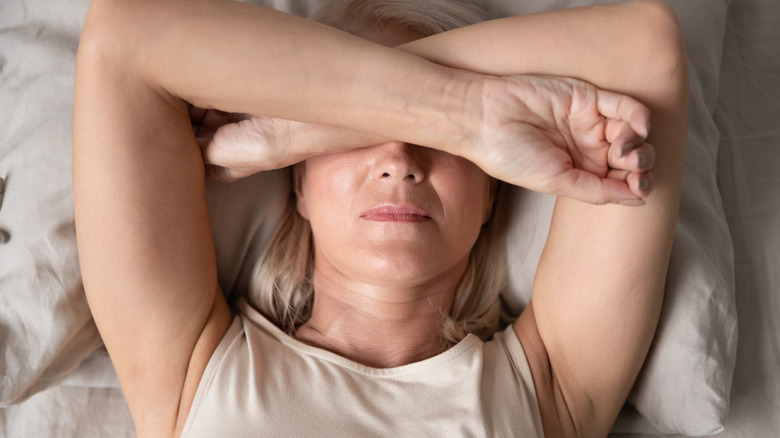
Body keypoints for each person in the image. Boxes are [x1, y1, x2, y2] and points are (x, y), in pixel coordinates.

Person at [72, 0, 688, 436]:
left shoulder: (551, 387)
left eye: (444, 141)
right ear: (299, 183)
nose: (398, 159)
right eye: (359, 135)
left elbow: (644, 46)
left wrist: (299, 125)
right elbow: (124, 32)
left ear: (493, 194)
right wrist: (464, 113)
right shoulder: (191, 372)